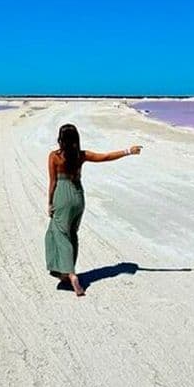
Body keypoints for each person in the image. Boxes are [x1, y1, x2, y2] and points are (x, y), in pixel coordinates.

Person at [45, 123, 142, 296]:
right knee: (72, 233)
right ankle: (66, 274)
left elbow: (53, 183)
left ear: (61, 139)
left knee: (59, 234)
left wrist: (50, 202)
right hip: (78, 197)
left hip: (62, 197)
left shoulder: (54, 157)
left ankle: (70, 274)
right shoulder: (81, 156)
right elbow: (105, 157)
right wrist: (129, 151)